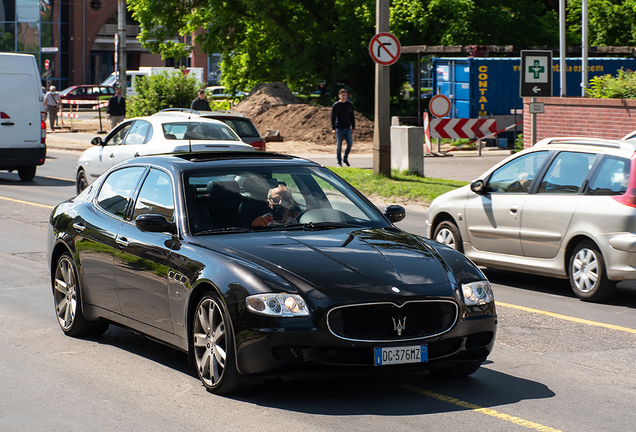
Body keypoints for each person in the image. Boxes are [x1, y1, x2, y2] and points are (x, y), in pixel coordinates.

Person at [331, 88, 355, 167]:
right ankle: (339, 162)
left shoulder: (349, 105)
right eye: (342, 95)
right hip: (339, 128)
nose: (344, 97)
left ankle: (345, 158)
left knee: (350, 144)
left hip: (347, 128)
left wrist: (353, 127)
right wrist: (333, 128)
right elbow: (333, 118)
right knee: (339, 147)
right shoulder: (336, 105)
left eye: (345, 95)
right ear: (339, 96)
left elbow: (352, 116)